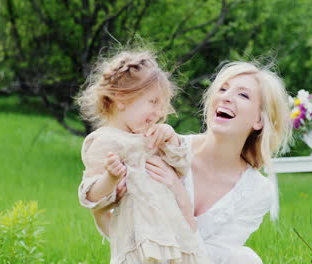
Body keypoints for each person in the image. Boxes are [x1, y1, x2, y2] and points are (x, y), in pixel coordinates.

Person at [93, 61, 292, 264]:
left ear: (259, 120)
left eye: (243, 95)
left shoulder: (257, 191)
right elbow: (129, 232)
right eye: (222, 89)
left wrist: (181, 198)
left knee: (246, 259)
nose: (226, 97)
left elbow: (211, 259)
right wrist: (101, 208)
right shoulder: (165, 147)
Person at [76, 49, 211, 264]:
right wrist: (110, 178)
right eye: (153, 102)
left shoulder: (151, 135)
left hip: (173, 236)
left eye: (162, 105)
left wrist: (171, 138)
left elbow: (182, 167)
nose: (158, 112)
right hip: (139, 241)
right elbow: (91, 197)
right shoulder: (104, 141)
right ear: (121, 99)